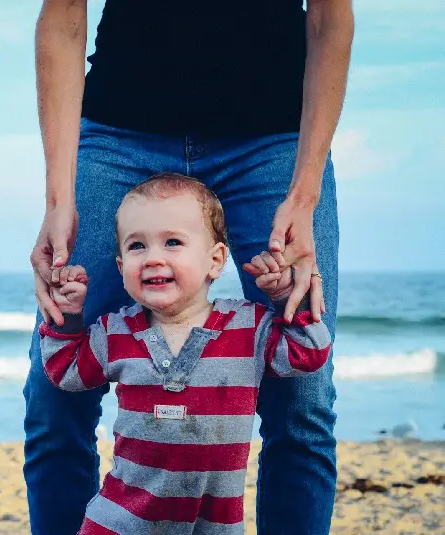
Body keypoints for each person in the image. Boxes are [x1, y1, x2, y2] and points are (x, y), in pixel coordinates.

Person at [25, 1, 353, 534]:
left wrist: (304, 193)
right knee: (53, 396)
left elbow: (329, 19)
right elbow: (63, 17)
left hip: (273, 142)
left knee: (304, 403)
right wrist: (59, 200)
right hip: (117, 134)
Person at [38, 174, 332, 534]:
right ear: (120, 268)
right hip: (119, 523)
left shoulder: (250, 328)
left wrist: (288, 298)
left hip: (213, 526)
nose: (152, 258)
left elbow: (309, 353)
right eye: (136, 247)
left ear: (215, 260)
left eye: (173, 242)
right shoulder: (115, 332)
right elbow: (64, 372)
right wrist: (68, 319)